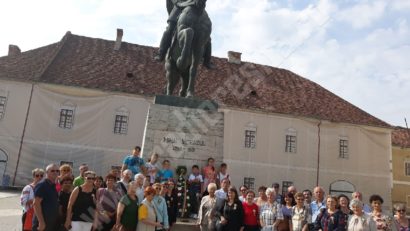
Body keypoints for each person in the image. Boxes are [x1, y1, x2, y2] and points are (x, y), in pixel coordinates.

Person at [154, 0, 214, 69]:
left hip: (195, 8)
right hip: (179, 7)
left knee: (206, 32)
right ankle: (161, 53)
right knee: (169, 29)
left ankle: (207, 60)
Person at [32, 164, 60, 231]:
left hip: (50, 223)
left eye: (57, 171)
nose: (55, 172)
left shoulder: (53, 185)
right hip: (42, 224)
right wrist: (41, 222)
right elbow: (36, 204)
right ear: (47, 172)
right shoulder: (42, 185)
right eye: (52, 171)